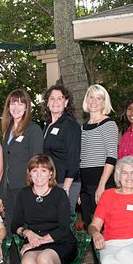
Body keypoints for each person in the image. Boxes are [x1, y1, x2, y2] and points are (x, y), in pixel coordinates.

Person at [12, 155, 78, 264]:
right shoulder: (24, 194)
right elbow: (15, 225)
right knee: (26, 263)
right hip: (35, 240)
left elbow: (64, 228)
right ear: (29, 174)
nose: (39, 175)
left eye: (43, 171)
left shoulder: (59, 194)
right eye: (35, 171)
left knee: (43, 258)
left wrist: (39, 241)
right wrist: (27, 233)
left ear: (51, 174)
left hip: (60, 241)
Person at [0, 89, 44, 264]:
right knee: (13, 240)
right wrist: (0, 192)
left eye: (20, 103)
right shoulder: (7, 129)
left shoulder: (34, 130)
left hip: (25, 192)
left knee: (29, 238)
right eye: (12, 104)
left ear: (27, 106)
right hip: (8, 193)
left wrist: (32, 191)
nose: (16, 107)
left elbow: (37, 164)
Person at [79, 84, 119, 264]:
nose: (95, 101)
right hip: (85, 185)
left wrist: (102, 185)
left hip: (102, 183)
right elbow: (81, 159)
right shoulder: (83, 127)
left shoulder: (108, 124)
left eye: (99, 98)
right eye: (91, 97)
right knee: (92, 230)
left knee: (106, 231)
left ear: (105, 102)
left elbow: (111, 156)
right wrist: (80, 189)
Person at [42, 83, 81, 213]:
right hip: (49, 183)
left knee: (64, 226)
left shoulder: (70, 125)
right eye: (52, 98)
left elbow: (74, 158)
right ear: (47, 103)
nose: (56, 102)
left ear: (66, 102)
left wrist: (65, 188)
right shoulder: (47, 125)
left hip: (65, 183)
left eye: (60, 98)